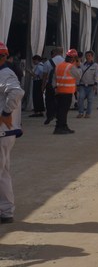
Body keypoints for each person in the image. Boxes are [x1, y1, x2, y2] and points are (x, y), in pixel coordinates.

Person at [0, 42, 25, 224]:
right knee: (3, 173)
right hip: (5, 133)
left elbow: (16, 92)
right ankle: (6, 211)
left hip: (2, 132)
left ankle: (6, 210)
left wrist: (6, 113)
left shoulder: (5, 73)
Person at [54, 49, 80, 134]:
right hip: (67, 92)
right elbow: (78, 75)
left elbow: (54, 79)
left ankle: (63, 126)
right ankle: (60, 127)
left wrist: (55, 88)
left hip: (59, 91)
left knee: (60, 110)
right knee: (63, 111)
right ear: (74, 58)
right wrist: (77, 65)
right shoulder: (71, 67)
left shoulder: (59, 66)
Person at [76, 50, 98, 119]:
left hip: (91, 86)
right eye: (86, 56)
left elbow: (97, 75)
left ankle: (88, 113)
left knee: (90, 100)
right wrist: (77, 84)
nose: (87, 57)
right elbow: (78, 75)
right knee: (80, 99)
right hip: (82, 85)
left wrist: (96, 84)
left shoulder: (95, 65)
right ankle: (81, 112)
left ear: (92, 57)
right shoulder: (82, 65)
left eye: (89, 56)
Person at [42, 49, 62, 126]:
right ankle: (58, 117)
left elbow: (44, 76)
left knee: (49, 101)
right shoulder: (65, 62)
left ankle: (50, 115)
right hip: (61, 85)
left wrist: (43, 86)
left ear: (53, 54)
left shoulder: (47, 62)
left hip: (50, 85)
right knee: (60, 101)